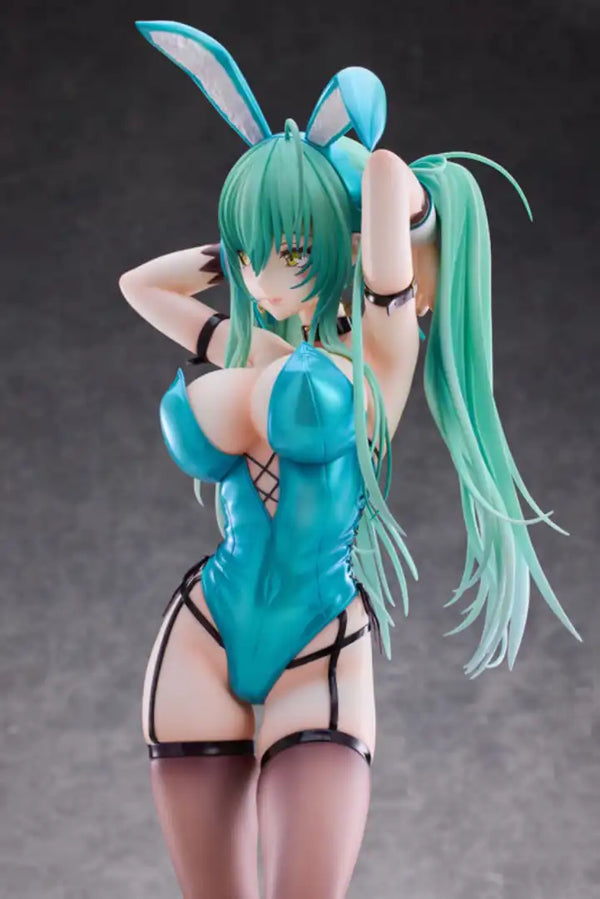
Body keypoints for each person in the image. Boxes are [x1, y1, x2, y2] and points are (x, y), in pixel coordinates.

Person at [119, 21, 582, 899]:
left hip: (320, 644)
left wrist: (349, 188)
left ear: (339, 243)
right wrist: (247, 239)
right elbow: (139, 286)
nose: (266, 277)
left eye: (289, 250)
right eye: (254, 254)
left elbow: (387, 180)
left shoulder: (379, 353)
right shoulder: (244, 346)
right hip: (202, 630)